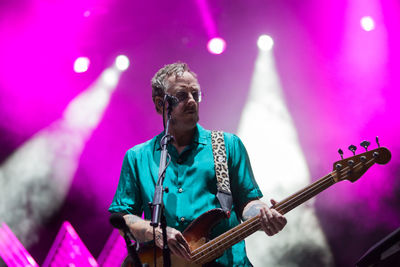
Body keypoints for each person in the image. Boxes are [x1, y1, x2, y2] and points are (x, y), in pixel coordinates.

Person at [109, 62, 287, 266]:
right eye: (182, 96)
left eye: (196, 94)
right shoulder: (137, 156)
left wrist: (262, 214)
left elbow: (248, 201)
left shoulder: (227, 145)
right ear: (160, 104)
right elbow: (122, 218)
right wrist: (154, 232)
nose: (192, 101)